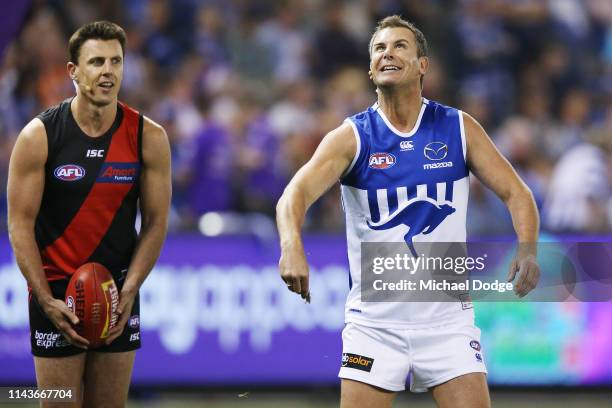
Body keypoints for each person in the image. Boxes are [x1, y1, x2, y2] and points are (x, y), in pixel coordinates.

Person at [276, 15, 540, 408]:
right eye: (380, 48)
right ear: (370, 69)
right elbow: (292, 195)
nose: (388, 53)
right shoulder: (353, 137)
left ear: (422, 66)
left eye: (400, 46)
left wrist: (528, 248)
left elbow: (518, 193)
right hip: (374, 326)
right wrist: (291, 245)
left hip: (448, 322)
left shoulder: (457, 127)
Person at [7, 21, 171, 407]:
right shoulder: (40, 136)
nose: (108, 71)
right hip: (56, 298)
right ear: (73, 72)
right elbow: (19, 224)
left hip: (117, 295)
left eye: (116, 61)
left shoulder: (149, 137)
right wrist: (46, 300)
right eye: (96, 61)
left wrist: (130, 289)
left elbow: (156, 223)